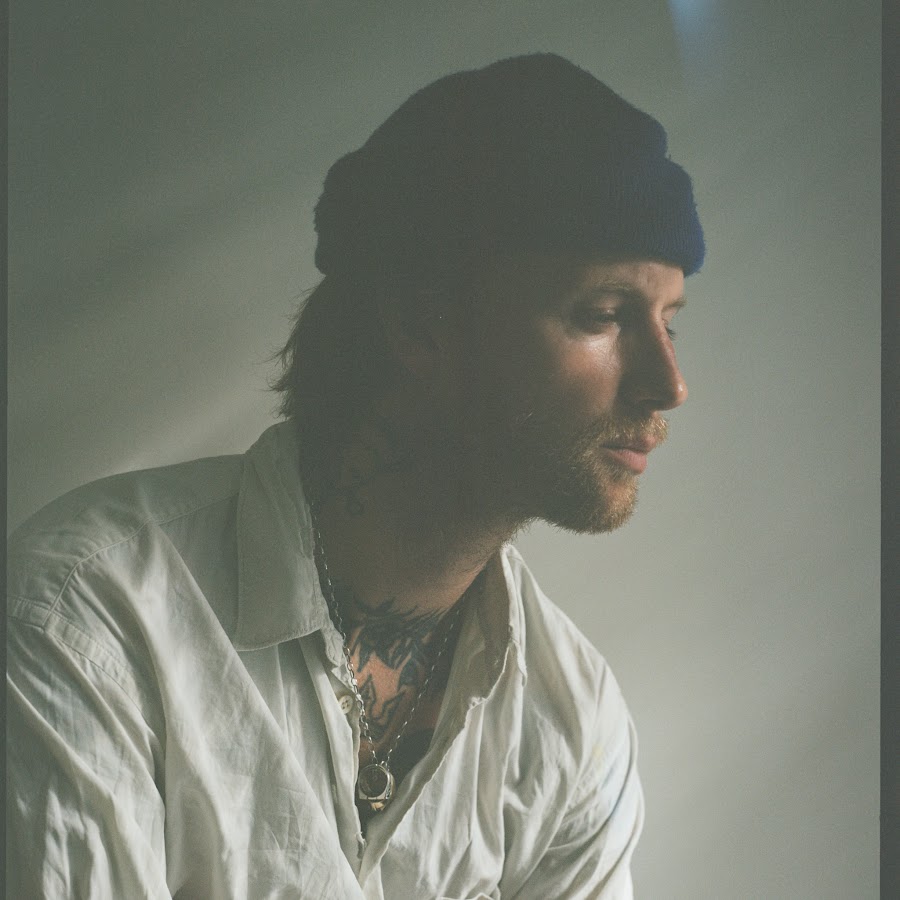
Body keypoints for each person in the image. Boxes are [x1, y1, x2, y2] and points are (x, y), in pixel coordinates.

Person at [7, 53, 704, 898]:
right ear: (420, 323)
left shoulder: (572, 722)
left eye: (669, 322)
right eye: (604, 315)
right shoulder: (91, 615)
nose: (669, 384)